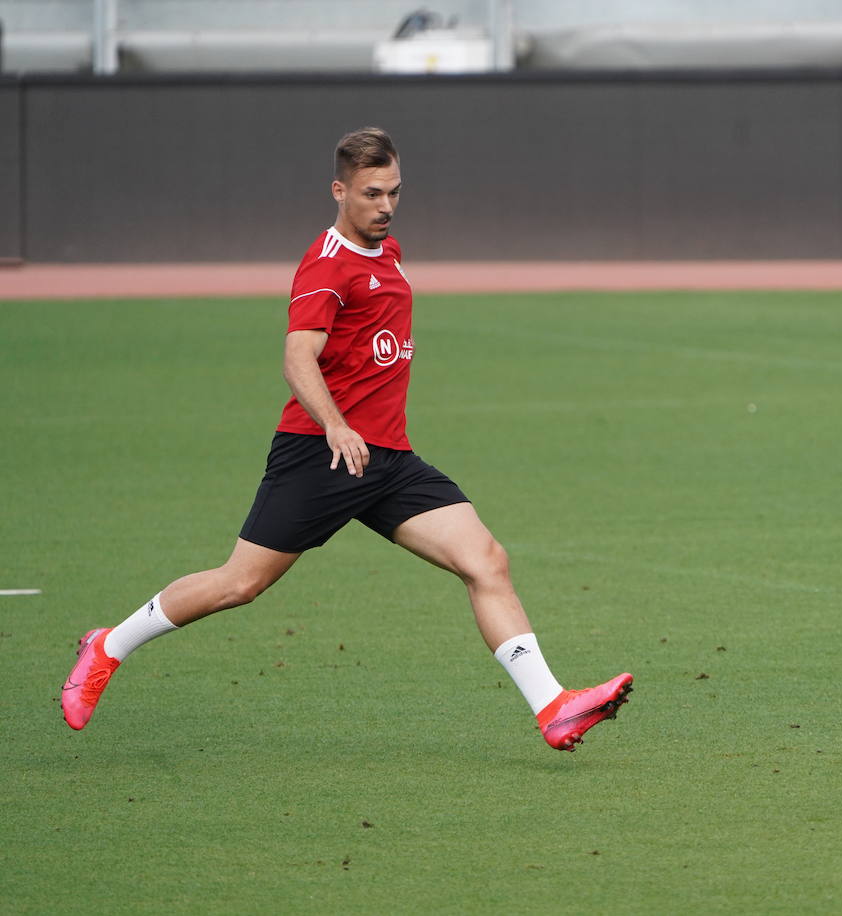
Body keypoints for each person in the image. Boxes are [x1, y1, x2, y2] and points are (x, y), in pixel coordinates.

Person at [61, 127, 633, 751]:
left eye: (393, 192)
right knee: (239, 584)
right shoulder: (326, 264)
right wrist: (336, 424)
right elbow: (297, 357)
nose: (385, 206)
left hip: (387, 459)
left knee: (486, 561)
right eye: (371, 194)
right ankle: (107, 647)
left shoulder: (386, 252)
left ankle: (553, 707)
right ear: (339, 190)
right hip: (321, 454)